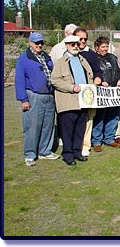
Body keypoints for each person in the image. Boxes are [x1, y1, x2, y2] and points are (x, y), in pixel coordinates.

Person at [15, 32, 60, 166]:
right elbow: (19, 80)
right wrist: (23, 99)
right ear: (30, 43)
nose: (39, 45)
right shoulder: (24, 58)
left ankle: (45, 151)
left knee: (48, 125)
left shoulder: (46, 56)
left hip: (49, 95)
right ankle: (30, 154)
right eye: (36, 43)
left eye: (41, 42)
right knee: (32, 126)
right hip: (33, 95)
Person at [51, 35, 94, 165]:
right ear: (66, 45)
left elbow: (90, 76)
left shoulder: (82, 60)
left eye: (77, 43)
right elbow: (55, 80)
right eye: (72, 44)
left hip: (83, 101)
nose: (75, 46)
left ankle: (77, 152)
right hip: (68, 101)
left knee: (80, 128)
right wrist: (71, 87)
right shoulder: (60, 62)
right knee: (68, 129)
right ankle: (68, 154)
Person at [74, 28, 103, 157]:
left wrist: (98, 78)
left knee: (88, 119)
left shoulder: (91, 54)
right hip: (74, 92)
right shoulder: (69, 53)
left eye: (85, 39)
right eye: (80, 39)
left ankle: (85, 145)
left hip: (88, 92)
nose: (83, 41)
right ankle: (74, 144)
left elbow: (98, 71)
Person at [92, 37, 120, 152]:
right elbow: (93, 74)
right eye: (103, 47)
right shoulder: (94, 58)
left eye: (106, 46)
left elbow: (118, 71)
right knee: (100, 116)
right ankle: (96, 141)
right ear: (97, 48)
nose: (105, 49)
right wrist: (100, 81)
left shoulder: (112, 57)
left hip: (114, 91)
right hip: (102, 92)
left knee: (113, 115)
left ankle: (109, 138)